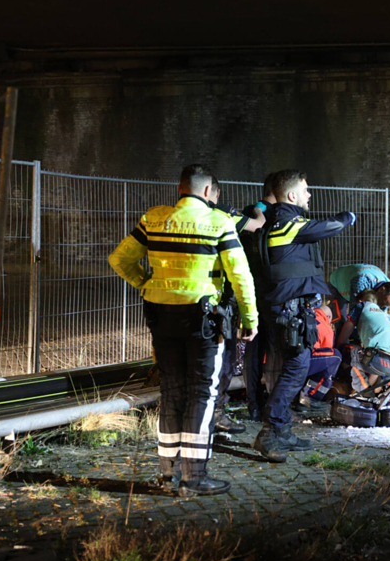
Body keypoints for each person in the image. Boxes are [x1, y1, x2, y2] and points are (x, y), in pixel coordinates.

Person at [108, 164, 257, 496]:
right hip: (202, 321)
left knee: (172, 392)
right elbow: (240, 275)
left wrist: (146, 283)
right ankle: (194, 477)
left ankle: (167, 475)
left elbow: (119, 259)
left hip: (161, 317)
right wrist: (250, 319)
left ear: (181, 189)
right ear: (207, 192)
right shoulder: (218, 222)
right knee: (202, 393)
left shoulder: (154, 219)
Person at [254, 169, 355, 462]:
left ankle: (282, 431)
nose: (309, 195)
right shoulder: (287, 224)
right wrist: (348, 216)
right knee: (297, 368)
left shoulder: (277, 222)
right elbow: (329, 226)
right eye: (306, 190)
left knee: (292, 367)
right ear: (291, 195)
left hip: (289, 309)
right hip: (289, 310)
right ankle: (270, 431)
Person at [208, 175, 266, 435]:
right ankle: (216, 413)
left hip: (182, 301)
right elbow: (257, 225)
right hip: (221, 303)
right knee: (226, 359)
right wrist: (260, 208)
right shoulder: (223, 216)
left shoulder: (173, 219)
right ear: (214, 193)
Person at [239, 173, 278, 423]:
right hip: (265, 293)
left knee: (256, 352)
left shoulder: (251, 213)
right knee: (269, 351)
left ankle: (257, 403)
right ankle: (269, 405)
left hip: (256, 293)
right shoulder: (260, 214)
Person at [349, 290, 390, 394]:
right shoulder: (385, 316)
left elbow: (346, 331)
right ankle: (371, 390)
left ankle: (358, 391)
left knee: (350, 353)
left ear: (359, 301)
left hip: (381, 360)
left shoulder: (362, 306)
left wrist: (339, 346)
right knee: (374, 357)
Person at [330, 264, 390, 348]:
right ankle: (341, 350)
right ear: (382, 289)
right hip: (338, 282)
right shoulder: (361, 282)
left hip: (358, 284)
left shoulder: (389, 291)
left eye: (387, 305)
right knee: (341, 320)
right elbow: (355, 315)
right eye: (383, 302)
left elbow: (375, 317)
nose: (382, 306)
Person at [298, 303, 341, 414]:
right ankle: (311, 397)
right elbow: (326, 355)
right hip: (306, 360)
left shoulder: (306, 317)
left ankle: (302, 396)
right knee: (335, 357)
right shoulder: (326, 327)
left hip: (294, 358)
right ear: (329, 317)